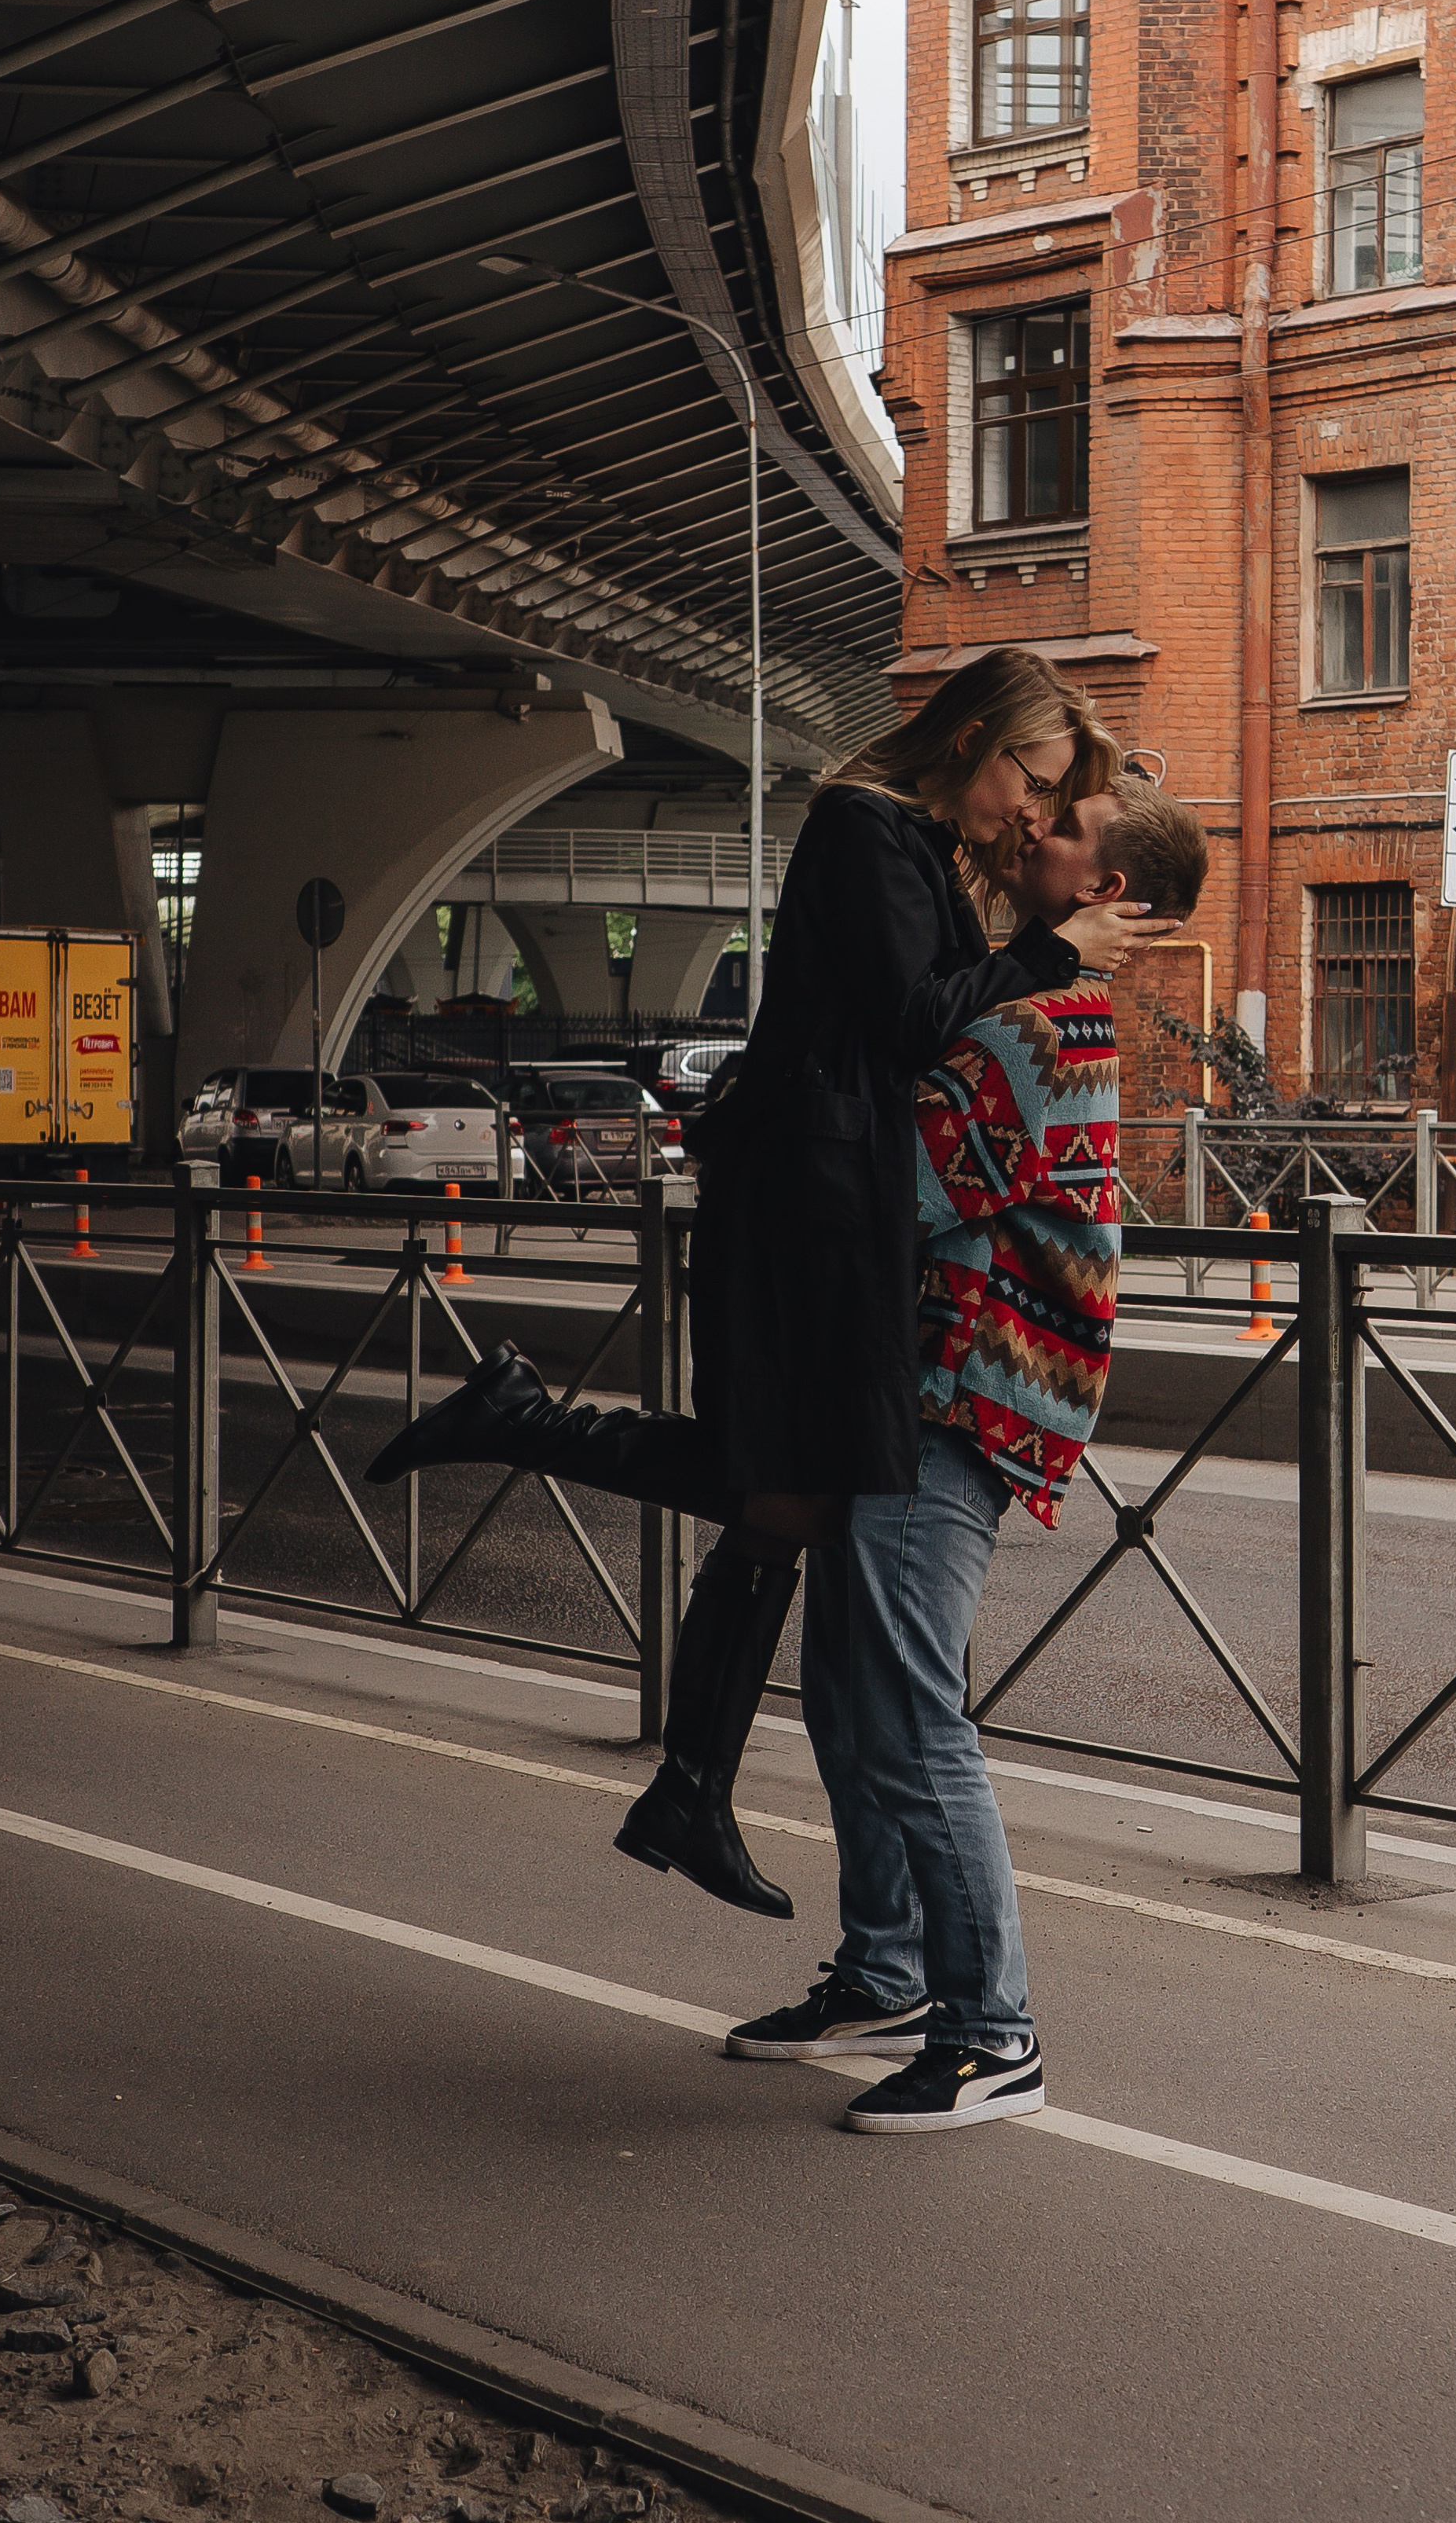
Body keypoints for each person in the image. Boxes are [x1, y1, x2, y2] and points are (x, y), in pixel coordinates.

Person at [367, 650, 1176, 1917]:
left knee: (786, 1497)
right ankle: (523, 1433)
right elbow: (919, 1019)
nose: (1030, 812)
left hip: (830, 1208)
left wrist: (1030, 944)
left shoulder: (921, 857)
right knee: (786, 1481)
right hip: (814, 1213)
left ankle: (690, 1786)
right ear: (969, 737)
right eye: (1034, 780)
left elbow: (925, 1023)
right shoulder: (867, 828)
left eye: (1054, 800)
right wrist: (1047, 947)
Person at [724, 776, 1211, 2133]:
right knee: (844, 1689)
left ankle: (995, 2036)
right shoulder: (1017, 998)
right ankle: (883, 1970)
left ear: (1107, 889)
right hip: (920, 1384)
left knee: (908, 1708)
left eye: (1063, 828)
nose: (1030, 832)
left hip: (962, 1399)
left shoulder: (1042, 1025)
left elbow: (897, 1186)